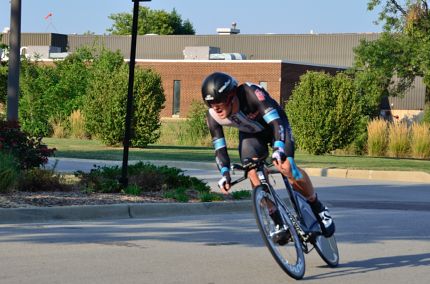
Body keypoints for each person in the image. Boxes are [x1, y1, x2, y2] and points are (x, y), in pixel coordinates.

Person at [201, 71, 335, 239]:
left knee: (286, 167)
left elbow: (276, 122)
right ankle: (277, 221)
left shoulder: (250, 93)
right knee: (252, 173)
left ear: (231, 96)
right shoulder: (213, 116)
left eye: (218, 101)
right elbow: (219, 147)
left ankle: (318, 207)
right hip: (251, 135)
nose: (215, 107)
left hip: (276, 127)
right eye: (210, 103)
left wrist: (278, 148)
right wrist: (225, 173)